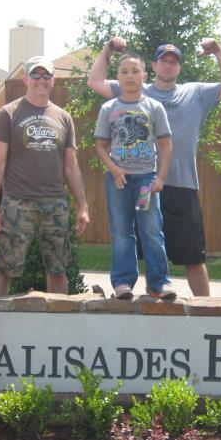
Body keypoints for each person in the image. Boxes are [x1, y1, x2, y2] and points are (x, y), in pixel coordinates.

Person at [88, 36, 221, 296]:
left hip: (180, 186)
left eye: (174, 62)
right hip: (144, 186)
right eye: (164, 61)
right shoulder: (135, 88)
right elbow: (95, 81)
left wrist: (217, 50)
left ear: (179, 68)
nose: (168, 66)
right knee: (148, 242)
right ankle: (154, 305)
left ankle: (206, 312)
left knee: (194, 256)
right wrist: (109, 49)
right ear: (154, 66)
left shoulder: (196, 92)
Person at [0, 56, 90, 296]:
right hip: (17, 204)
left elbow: (71, 166)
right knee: (4, 268)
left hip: (55, 204)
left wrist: (82, 205)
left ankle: (56, 326)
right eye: (36, 75)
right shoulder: (8, 114)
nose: (41, 80)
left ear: (53, 80)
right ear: (26, 79)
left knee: (58, 269)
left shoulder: (64, 117)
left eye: (46, 76)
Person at [94, 53, 175, 301]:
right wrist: (114, 169)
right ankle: (122, 282)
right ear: (118, 77)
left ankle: (159, 283)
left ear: (144, 76)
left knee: (150, 230)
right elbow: (100, 145)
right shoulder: (109, 108)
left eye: (135, 71)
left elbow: (165, 145)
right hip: (119, 182)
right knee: (121, 232)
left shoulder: (153, 107)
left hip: (144, 183)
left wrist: (159, 178)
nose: (130, 75)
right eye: (125, 71)